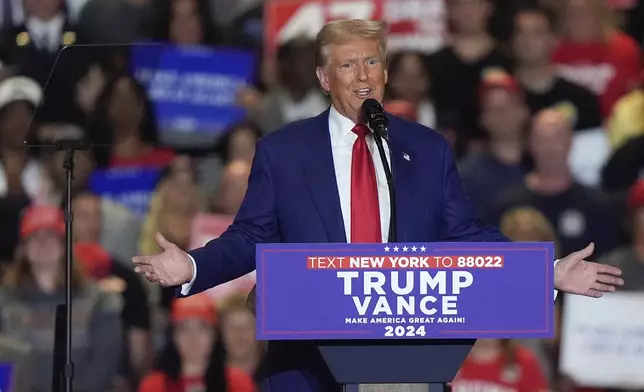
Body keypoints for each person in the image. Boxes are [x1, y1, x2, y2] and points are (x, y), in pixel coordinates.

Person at [133, 19, 624, 392]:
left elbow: (468, 236)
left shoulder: (426, 150)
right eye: (348, 64)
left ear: (387, 72)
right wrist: (192, 265)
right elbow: (250, 237)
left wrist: (545, 272)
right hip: (308, 363)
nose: (363, 75)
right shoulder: (284, 151)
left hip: (408, 360)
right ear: (325, 78)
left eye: (372, 62)